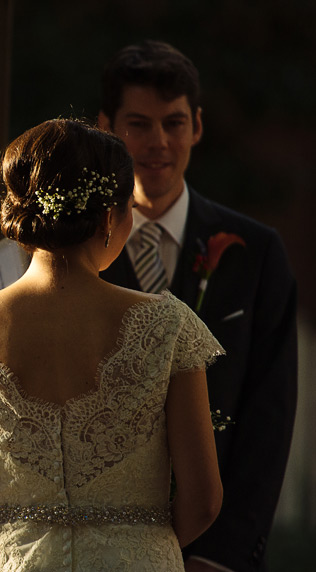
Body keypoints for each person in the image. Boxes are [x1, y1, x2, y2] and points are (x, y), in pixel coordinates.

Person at [0, 118, 223, 571]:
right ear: (110, 216)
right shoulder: (168, 325)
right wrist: (140, 542)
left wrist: (31, 540)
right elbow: (203, 500)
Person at [97, 40, 298, 572]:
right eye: (138, 123)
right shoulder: (73, 255)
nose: (158, 142)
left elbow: (269, 418)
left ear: (198, 126)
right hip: (104, 545)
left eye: (174, 123)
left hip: (218, 555)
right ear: (106, 127)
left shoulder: (257, 253)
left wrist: (221, 555)